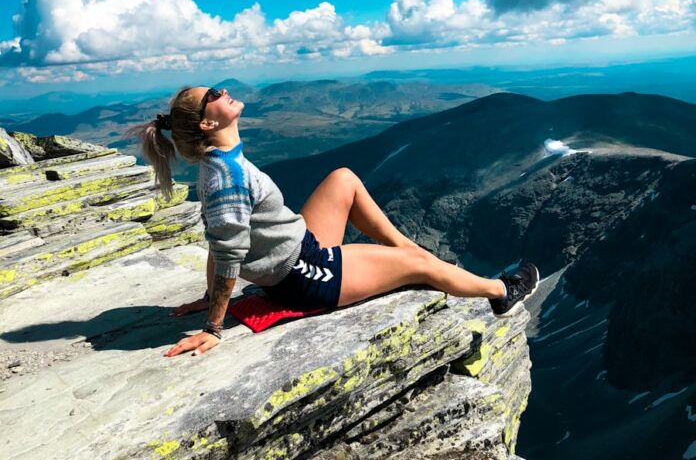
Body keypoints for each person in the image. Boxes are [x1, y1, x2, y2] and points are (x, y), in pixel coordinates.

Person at [129, 85, 539, 359]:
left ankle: (405, 248)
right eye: (214, 95)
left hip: (300, 246)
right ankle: (502, 291)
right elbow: (226, 249)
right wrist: (214, 325)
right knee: (424, 269)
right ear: (207, 124)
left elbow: (222, 239)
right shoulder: (228, 179)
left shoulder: (225, 161)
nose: (224, 91)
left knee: (343, 179)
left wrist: (206, 293)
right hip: (305, 276)